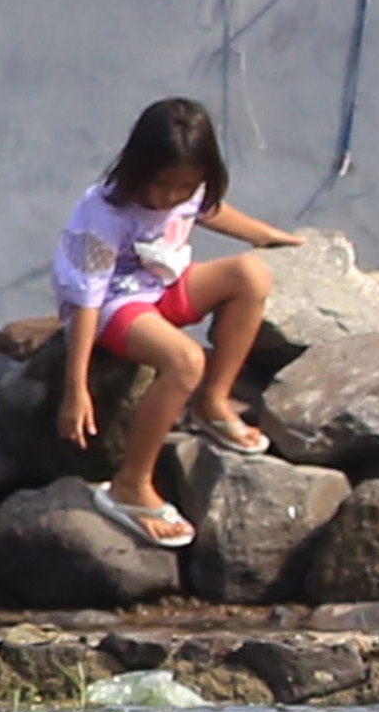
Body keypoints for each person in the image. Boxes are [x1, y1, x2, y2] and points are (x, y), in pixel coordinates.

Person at [53, 98, 302, 552]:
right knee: (186, 361)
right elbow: (85, 300)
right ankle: (130, 483)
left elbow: (208, 210)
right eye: (161, 185)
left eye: (184, 185)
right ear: (137, 167)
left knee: (251, 275)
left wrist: (265, 235)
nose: (170, 197)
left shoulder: (188, 191)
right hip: (113, 306)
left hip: (162, 286)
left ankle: (213, 402)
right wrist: (76, 387)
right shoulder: (104, 211)